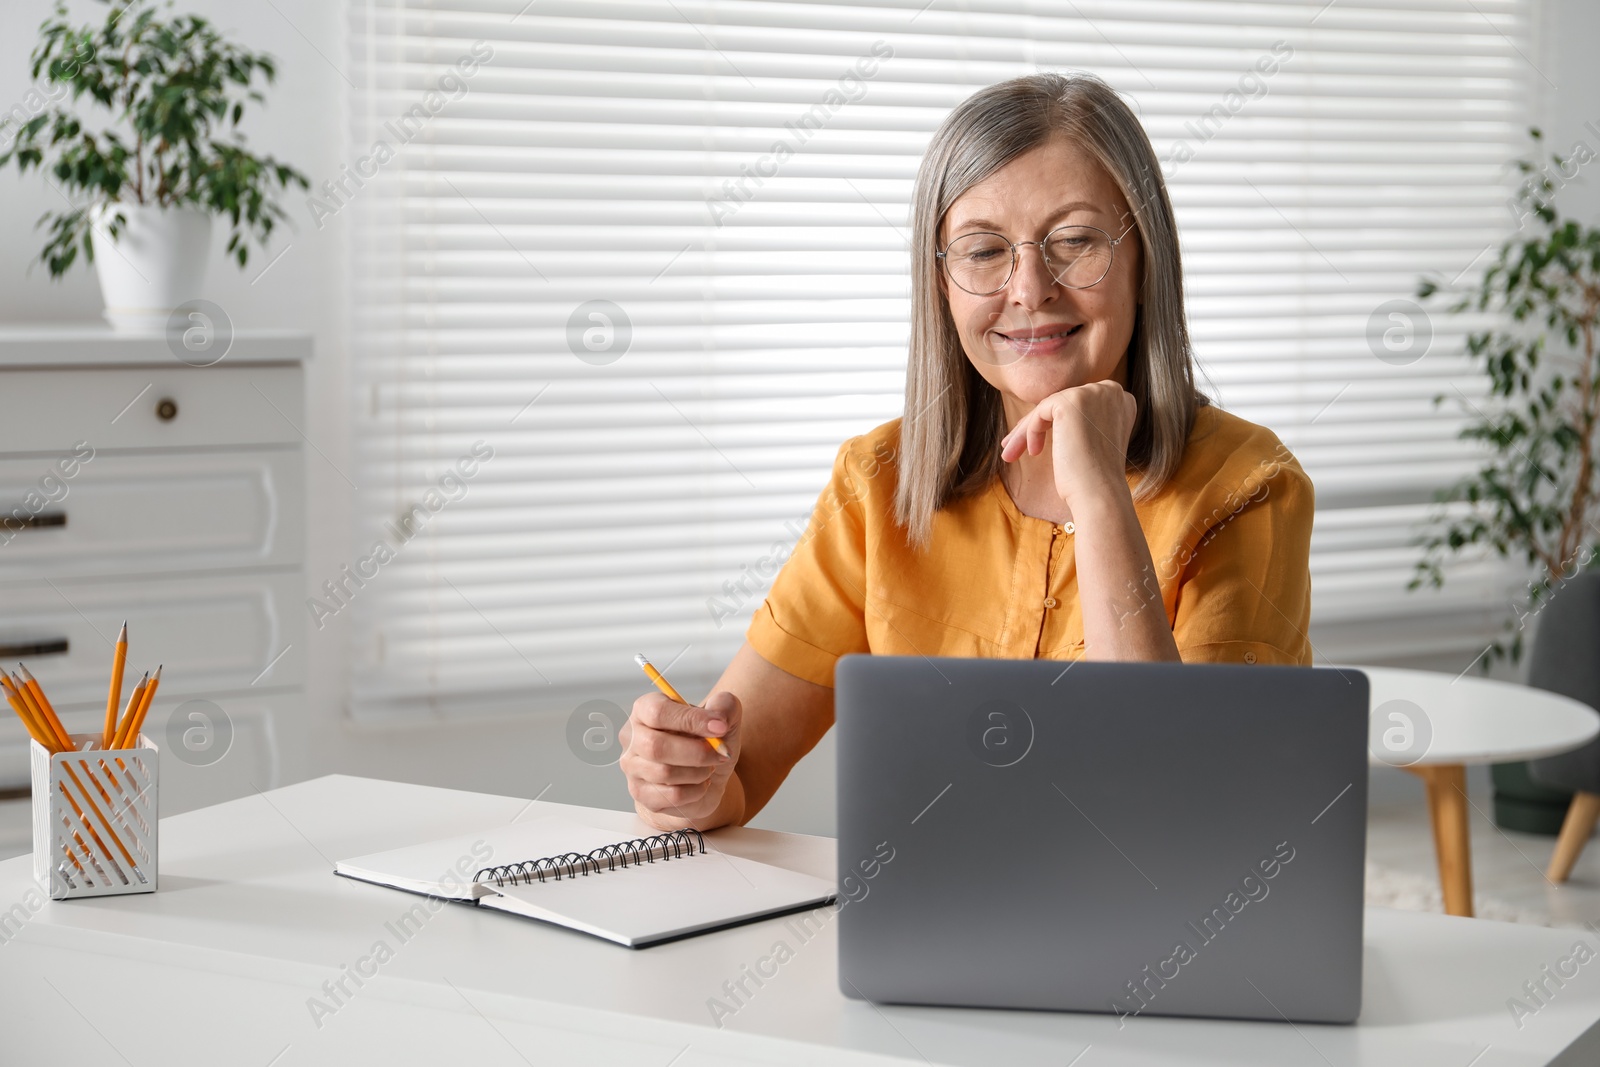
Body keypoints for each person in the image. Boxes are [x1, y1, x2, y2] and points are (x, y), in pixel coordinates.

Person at [619, 71, 1314, 833]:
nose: (1029, 287)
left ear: (1146, 261)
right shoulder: (876, 482)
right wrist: (686, 780)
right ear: (941, 285)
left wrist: (1100, 493)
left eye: (1076, 242)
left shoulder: (1251, 484)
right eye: (984, 251)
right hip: (924, 935)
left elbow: (1176, 817)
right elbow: (740, 771)